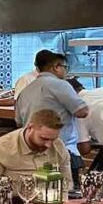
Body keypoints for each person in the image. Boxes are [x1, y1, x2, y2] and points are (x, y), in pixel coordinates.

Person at [15, 50, 88, 185]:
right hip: (62, 153)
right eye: (65, 67)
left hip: (33, 156)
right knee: (67, 192)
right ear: (56, 67)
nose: (66, 72)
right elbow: (82, 111)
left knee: (40, 192)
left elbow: (19, 123)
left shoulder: (24, 92)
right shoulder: (61, 84)